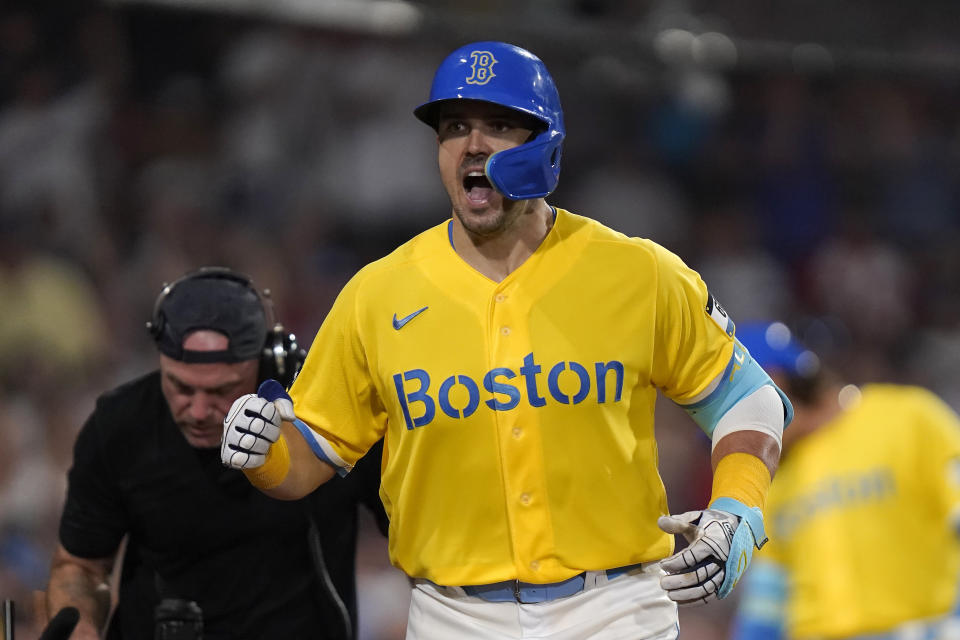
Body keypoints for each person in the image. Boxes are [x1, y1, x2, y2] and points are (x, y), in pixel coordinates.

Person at [221, 42, 792, 639]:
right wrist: (264, 452)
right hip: (452, 616)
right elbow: (312, 452)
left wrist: (736, 514)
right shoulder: (378, 294)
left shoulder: (637, 273)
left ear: (546, 143)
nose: (472, 144)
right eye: (454, 127)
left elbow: (749, 398)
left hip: (616, 609)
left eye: (499, 125)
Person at [44, 266, 387, 640]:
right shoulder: (119, 425)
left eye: (223, 390)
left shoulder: (326, 414)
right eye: (180, 386)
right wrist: (80, 627)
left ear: (268, 361)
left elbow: (407, 525)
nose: (198, 411)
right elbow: (80, 567)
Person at [731, 321, 960, 640]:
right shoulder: (773, 480)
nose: (729, 439)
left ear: (773, 387)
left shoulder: (909, 418)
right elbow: (765, 607)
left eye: (730, 416)